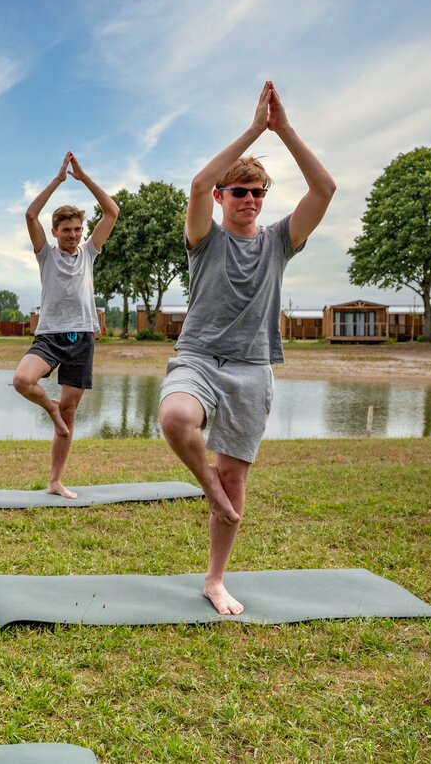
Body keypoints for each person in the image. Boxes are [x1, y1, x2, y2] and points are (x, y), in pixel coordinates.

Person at [158, 81, 336, 615]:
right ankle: (209, 489)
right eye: (239, 192)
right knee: (176, 419)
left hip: (253, 367)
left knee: (236, 475)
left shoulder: (279, 241)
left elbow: (325, 189)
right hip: (198, 357)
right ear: (222, 198)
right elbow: (197, 183)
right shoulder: (205, 239)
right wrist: (256, 128)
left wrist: (285, 130)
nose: (250, 200)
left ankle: (215, 580)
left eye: (258, 192)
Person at [12, 152, 119, 498]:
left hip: (82, 337)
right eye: (66, 230)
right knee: (22, 380)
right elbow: (31, 214)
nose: (73, 235)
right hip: (49, 336)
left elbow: (112, 212)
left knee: (70, 411)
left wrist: (84, 178)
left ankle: (55, 481)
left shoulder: (89, 252)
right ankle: (51, 408)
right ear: (55, 231)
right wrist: (58, 180)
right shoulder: (46, 254)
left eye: (77, 230)